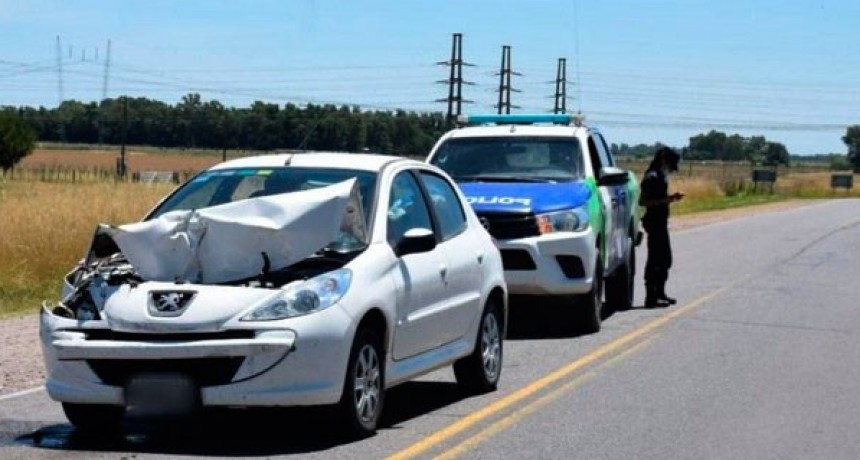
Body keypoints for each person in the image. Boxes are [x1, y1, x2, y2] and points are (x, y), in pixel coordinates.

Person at [639, 146, 684, 308]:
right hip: (654, 222)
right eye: (671, 165)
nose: (671, 170)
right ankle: (651, 296)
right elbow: (643, 202)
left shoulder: (659, 176)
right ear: (664, 161)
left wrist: (669, 199)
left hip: (661, 222)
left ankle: (660, 293)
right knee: (655, 260)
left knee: (664, 259)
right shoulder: (651, 177)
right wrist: (667, 200)